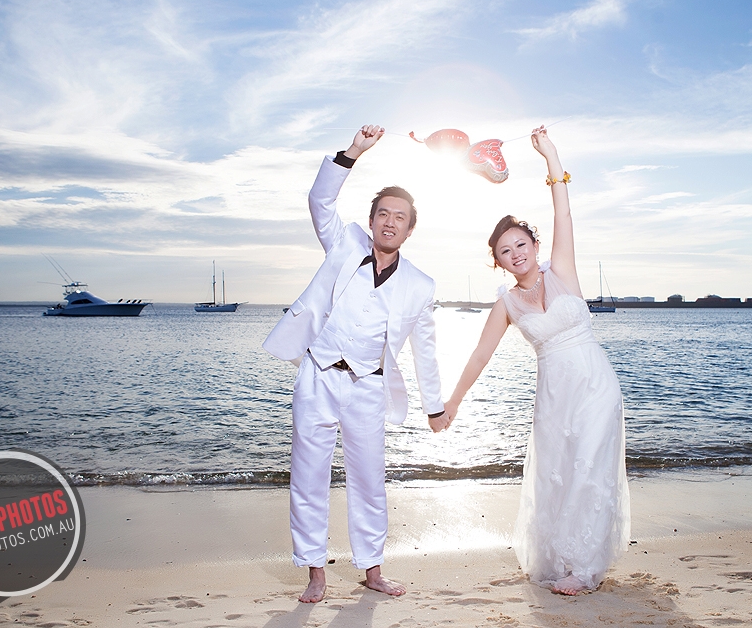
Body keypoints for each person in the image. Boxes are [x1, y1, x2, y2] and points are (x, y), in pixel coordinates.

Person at [439, 126, 631, 595]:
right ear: (499, 262)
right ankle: (563, 559)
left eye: (520, 244)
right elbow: (479, 355)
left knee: (590, 468)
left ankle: (583, 568)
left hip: (595, 384)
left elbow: (563, 211)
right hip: (553, 396)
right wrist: (454, 402)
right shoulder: (506, 304)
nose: (515, 254)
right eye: (505, 251)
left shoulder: (562, 270)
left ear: (534, 245)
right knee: (557, 474)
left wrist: (550, 156)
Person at [263, 124, 448, 603]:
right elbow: (319, 201)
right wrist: (353, 152)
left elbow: (424, 349)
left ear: (410, 229)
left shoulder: (420, 285)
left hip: (369, 387)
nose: (390, 222)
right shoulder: (344, 244)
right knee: (308, 478)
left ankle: (373, 570)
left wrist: (434, 406)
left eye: (400, 217)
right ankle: (315, 572)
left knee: (369, 482)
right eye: (383, 213)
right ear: (371, 220)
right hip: (318, 376)